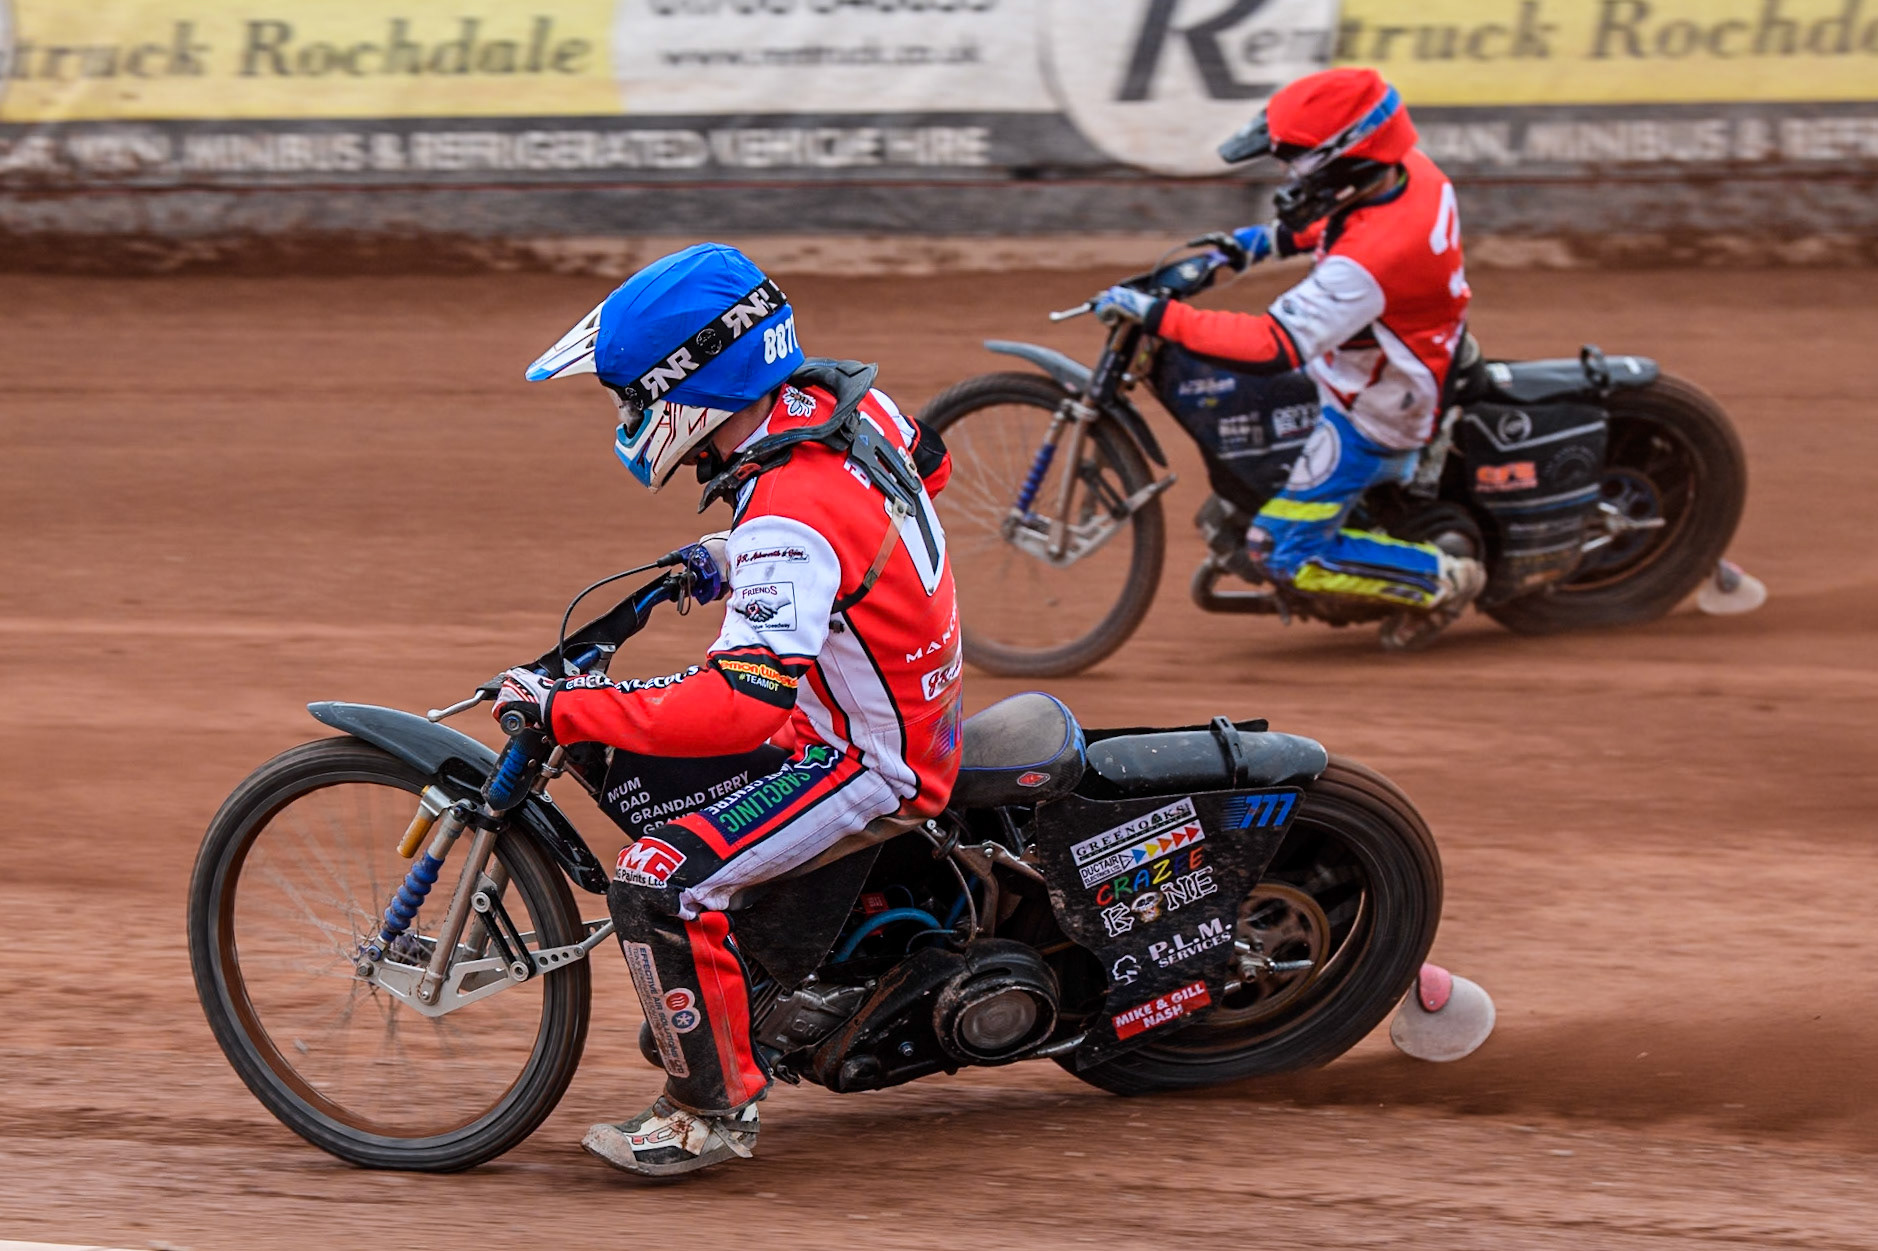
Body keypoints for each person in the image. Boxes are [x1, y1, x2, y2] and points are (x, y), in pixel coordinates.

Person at [494, 242, 962, 1176]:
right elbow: (926, 471)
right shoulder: (840, 403)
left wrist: (575, 710)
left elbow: (741, 706)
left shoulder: (787, 512)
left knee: (659, 875)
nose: (630, 416)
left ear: (689, 387)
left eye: (635, 397)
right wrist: (733, 552)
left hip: (865, 755)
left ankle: (709, 1109)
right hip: (898, 695)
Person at [1093, 67, 1485, 651]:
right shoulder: (1411, 173)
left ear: (1346, 163)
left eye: (1299, 161)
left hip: (1372, 407)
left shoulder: (1369, 262)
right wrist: (1241, 248)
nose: (1289, 173)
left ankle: (1441, 577)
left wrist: (1156, 315)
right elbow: (1335, 223)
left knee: (1277, 550)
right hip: (1404, 352)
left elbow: (1269, 345)